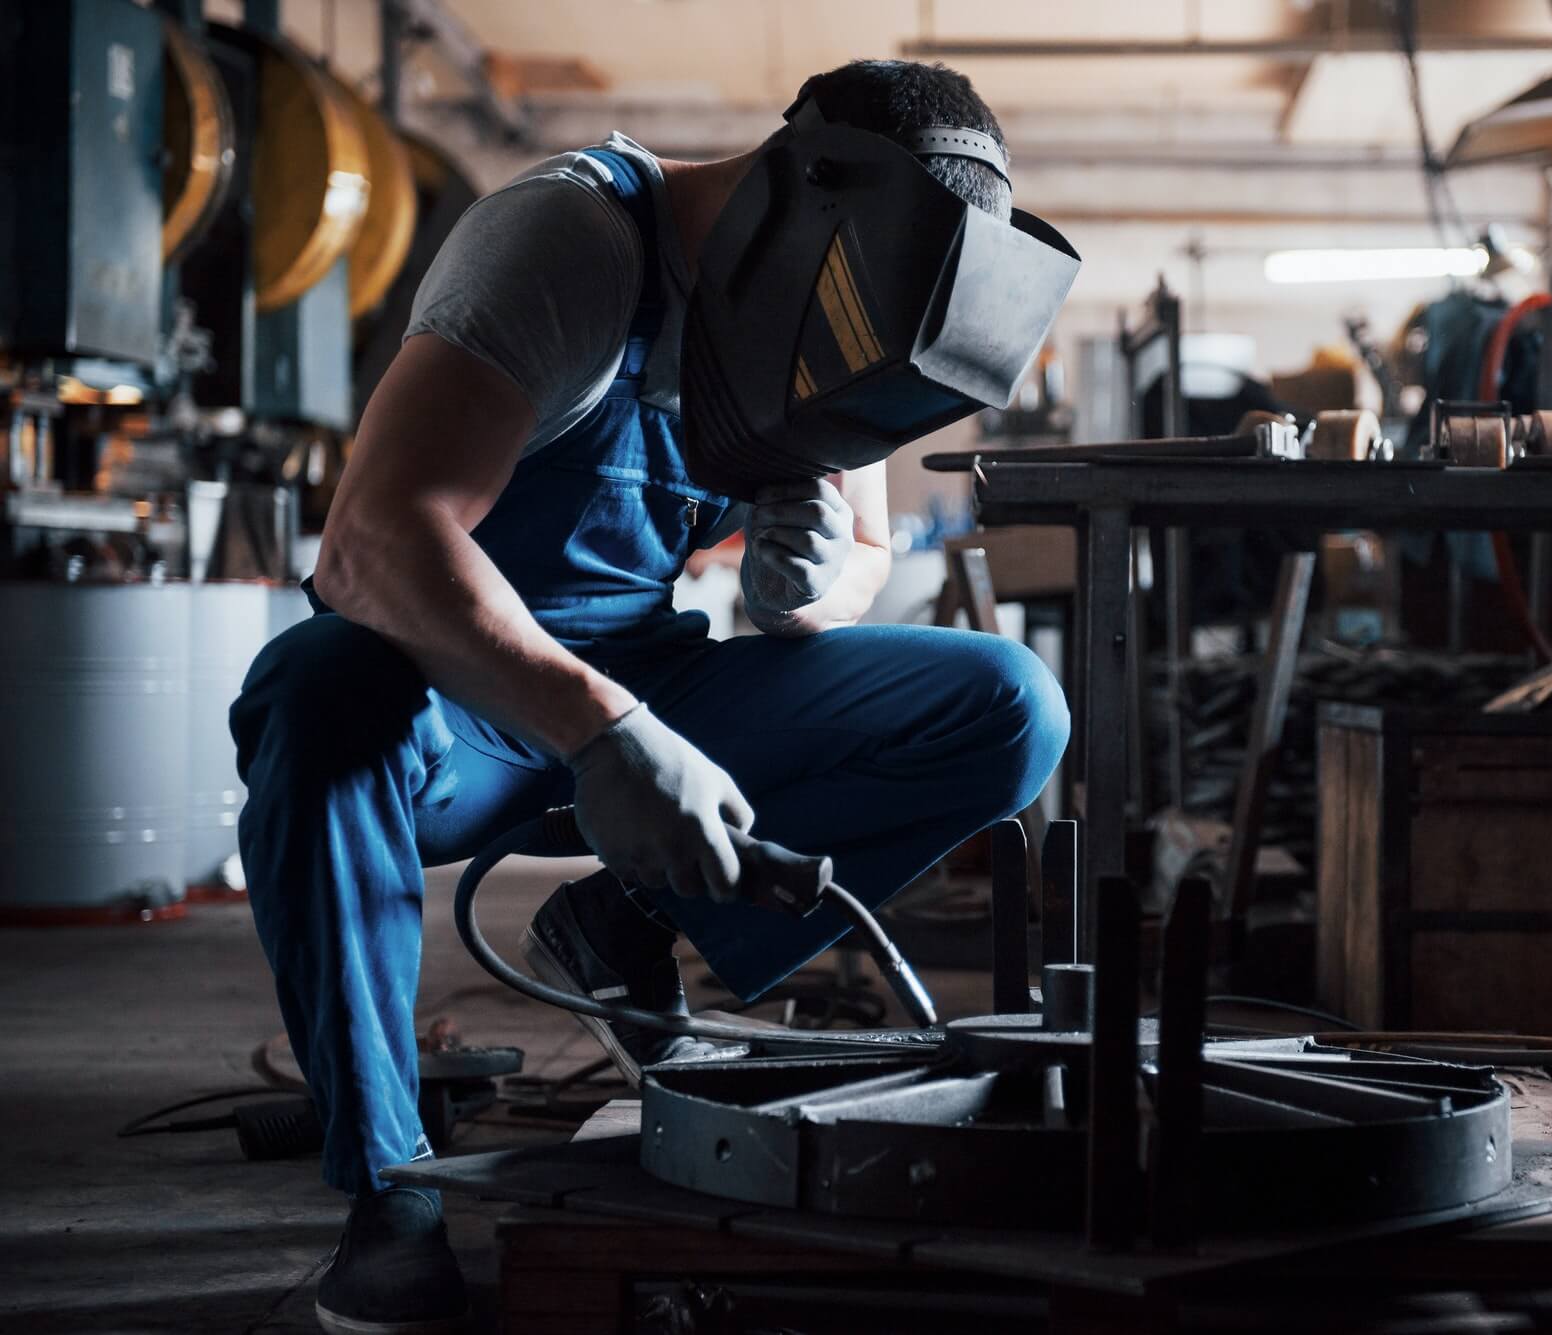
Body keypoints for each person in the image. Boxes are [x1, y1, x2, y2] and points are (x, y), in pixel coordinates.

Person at [229, 60, 1072, 1335]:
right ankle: (389, 1182)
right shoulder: (564, 241)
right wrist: (605, 731)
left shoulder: (847, 301)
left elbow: (861, 550)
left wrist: (813, 579)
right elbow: (372, 542)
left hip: (652, 677)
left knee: (1010, 705)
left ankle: (619, 923)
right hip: (450, 708)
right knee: (317, 692)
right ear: (807, 190)